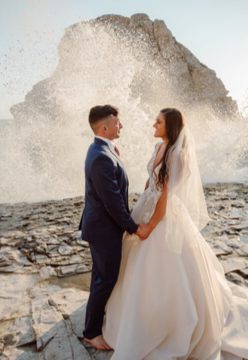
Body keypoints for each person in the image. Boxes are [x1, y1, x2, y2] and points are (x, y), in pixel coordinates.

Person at [102, 108, 248, 359]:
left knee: (166, 266)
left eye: (159, 121)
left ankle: (166, 324)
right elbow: (151, 181)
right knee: (133, 263)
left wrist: (150, 226)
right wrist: (139, 204)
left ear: (171, 126)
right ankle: (132, 316)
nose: (154, 123)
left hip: (164, 216)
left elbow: (166, 195)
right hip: (147, 206)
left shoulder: (179, 155)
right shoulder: (158, 148)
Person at [80, 104, 146, 350]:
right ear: (105, 127)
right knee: (105, 278)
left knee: (101, 276)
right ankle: (91, 332)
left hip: (101, 226)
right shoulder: (100, 156)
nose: (122, 125)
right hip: (103, 229)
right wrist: (133, 227)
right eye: (117, 122)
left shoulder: (103, 149)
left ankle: (96, 320)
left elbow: (114, 191)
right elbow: (112, 201)